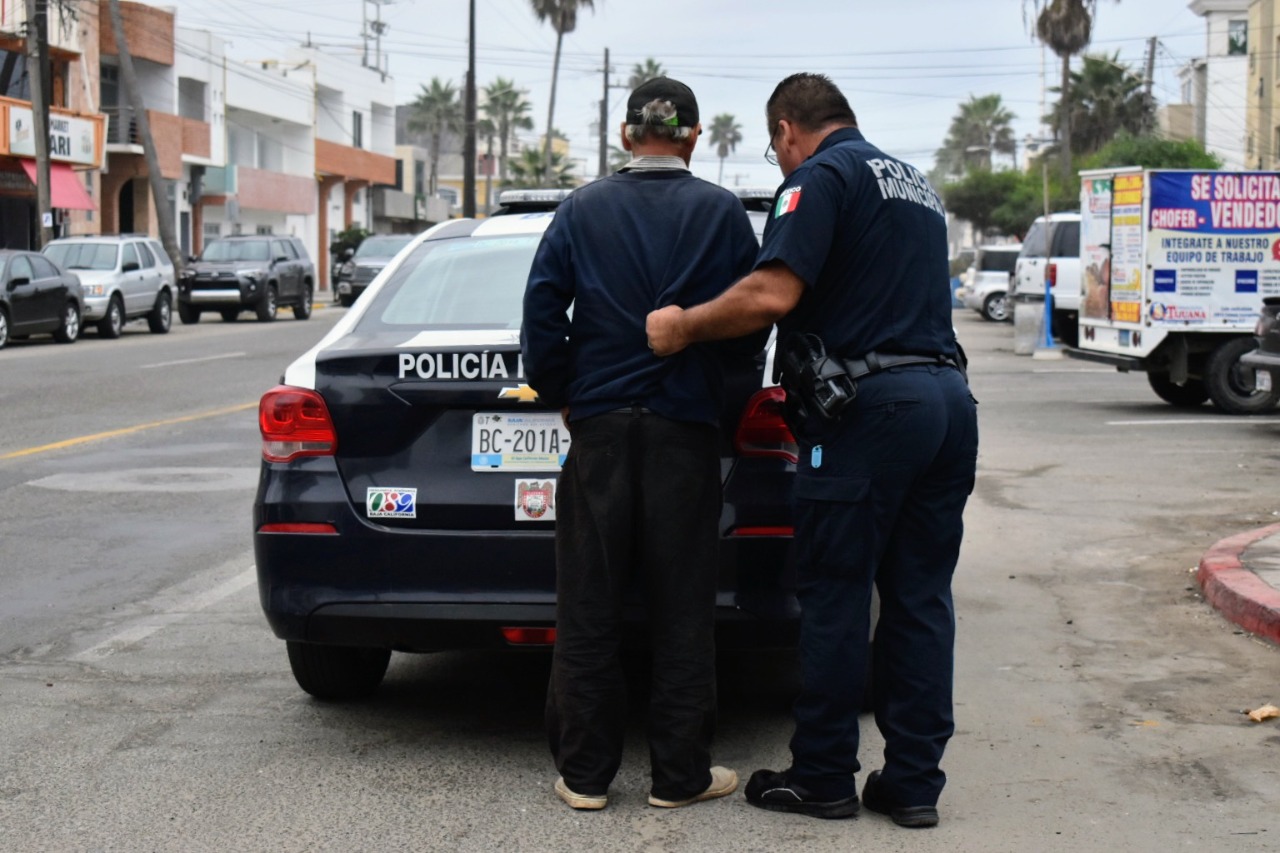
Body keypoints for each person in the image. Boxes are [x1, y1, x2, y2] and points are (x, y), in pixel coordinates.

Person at [646, 72, 979, 828]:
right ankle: (914, 783)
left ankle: (824, 773)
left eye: (775, 150)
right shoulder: (914, 183)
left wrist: (681, 327)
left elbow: (770, 294)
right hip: (947, 403)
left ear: (789, 129)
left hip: (870, 414)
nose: (781, 161)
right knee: (921, 597)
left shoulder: (821, 178)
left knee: (834, 593)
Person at [521, 77, 766, 812]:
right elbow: (751, 325)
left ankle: (587, 776)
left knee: (589, 601)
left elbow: (540, 307)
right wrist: (717, 404)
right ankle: (679, 775)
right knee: (682, 605)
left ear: (627, 135)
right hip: (683, 435)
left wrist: (565, 386)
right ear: (694, 136)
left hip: (598, 432)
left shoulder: (582, 208)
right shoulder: (723, 213)